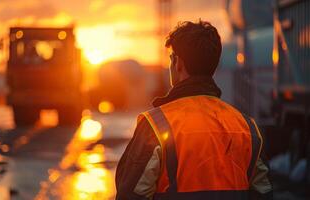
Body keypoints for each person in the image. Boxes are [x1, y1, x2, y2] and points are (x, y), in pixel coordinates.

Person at [115, 20, 273, 200]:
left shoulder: (157, 125)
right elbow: (263, 192)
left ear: (177, 63)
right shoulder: (247, 127)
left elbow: (131, 195)